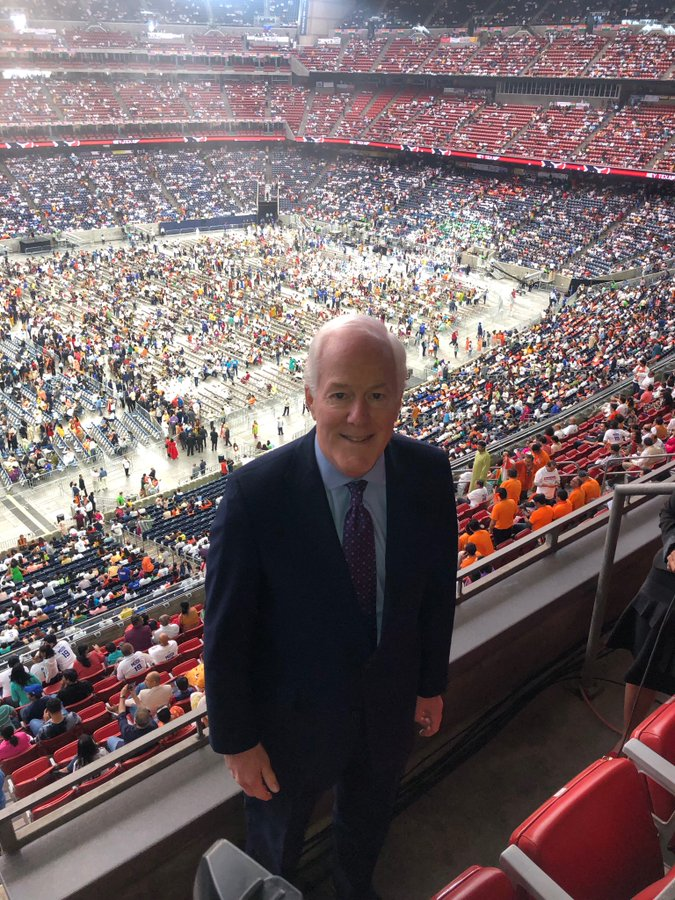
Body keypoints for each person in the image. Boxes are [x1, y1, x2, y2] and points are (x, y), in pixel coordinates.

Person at [204, 315, 457, 898]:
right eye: (341, 395)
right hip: (286, 730)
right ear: (312, 399)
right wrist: (237, 741)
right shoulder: (255, 496)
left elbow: (437, 590)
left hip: (389, 710)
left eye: (377, 395)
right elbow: (226, 634)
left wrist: (429, 682)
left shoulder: (428, 472)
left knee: (366, 831)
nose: (358, 417)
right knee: (275, 852)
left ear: (399, 399)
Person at [608, 490, 675, 748]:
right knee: (646, 662)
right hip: (666, 587)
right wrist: (672, 546)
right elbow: (669, 513)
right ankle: (628, 739)